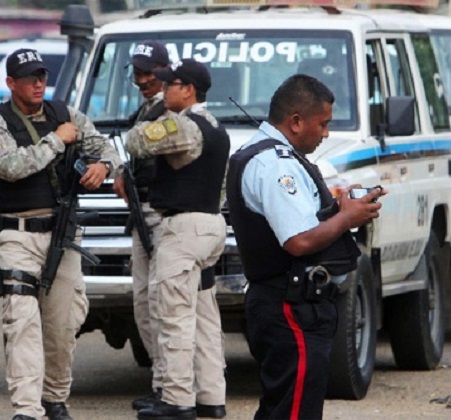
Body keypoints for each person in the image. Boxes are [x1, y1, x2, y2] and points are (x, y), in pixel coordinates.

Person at [226, 74, 386, 419]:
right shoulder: (275, 165)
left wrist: (339, 206)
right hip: (289, 305)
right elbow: (298, 241)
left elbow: (300, 217)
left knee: (284, 408)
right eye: (323, 124)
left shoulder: (271, 156)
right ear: (296, 121)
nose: (326, 133)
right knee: (294, 411)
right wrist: (348, 218)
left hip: (287, 302)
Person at [0, 48, 121, 420]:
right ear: (11, 83)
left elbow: (105, 146)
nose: (38, 83)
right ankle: (27, 408)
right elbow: (10, 167)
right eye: (30, 78)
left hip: (62, 233)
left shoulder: (64, 114)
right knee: (21, 322)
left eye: (42, 76)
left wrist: (103, 166)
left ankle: (54, 397)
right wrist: (57, 140)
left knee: (62, 324)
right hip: (18, 234)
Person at [126, 59, 229, 420]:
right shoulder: (216, 126)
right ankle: (211, 396)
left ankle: (177, 398)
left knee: (173, 316)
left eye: (170, 84)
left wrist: (153, 119)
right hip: (211, 225)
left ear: (188, 90)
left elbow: (136, 142)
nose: (163, 89)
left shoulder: (182, 124)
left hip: (182, 230)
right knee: (205, 316)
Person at [113, 40, 169, 412]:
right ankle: (162, 382)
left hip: (161, 213)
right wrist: (121, 170)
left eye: (150, 73)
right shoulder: (146, 110)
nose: (143, 80)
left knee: (162, 305)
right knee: (144, 304)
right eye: (138, 74)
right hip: (141, 211)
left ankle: (171, 386)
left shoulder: (171, 110)